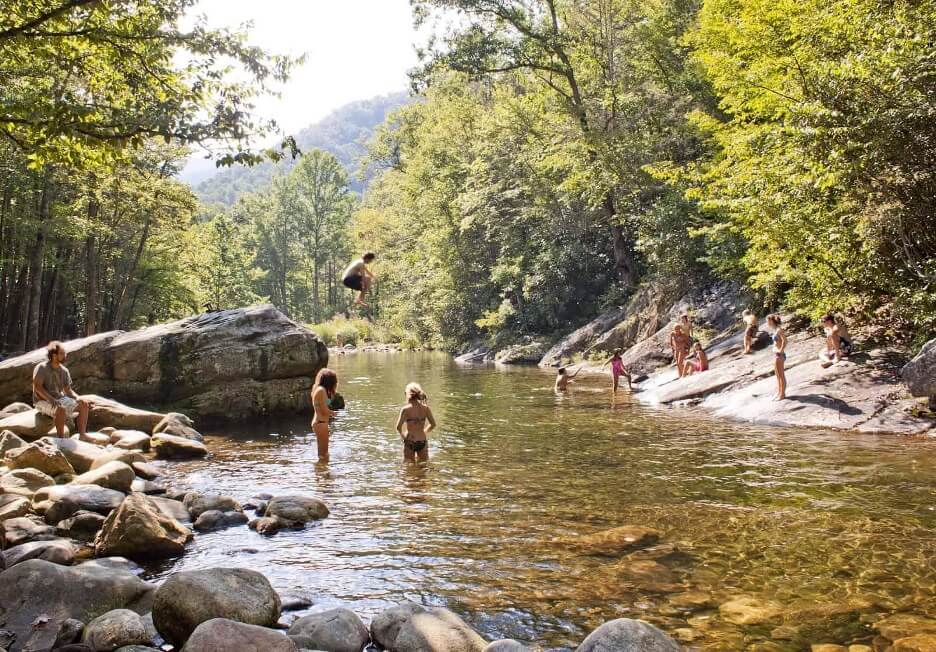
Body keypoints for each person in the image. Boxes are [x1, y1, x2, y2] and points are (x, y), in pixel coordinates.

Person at [33, 341, 90, 438]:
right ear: (54, 355)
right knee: (61, 409)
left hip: (59, 399)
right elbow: (37, 387)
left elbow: (68, 390)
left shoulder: (64, 370)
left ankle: (82, 435)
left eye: (64, 353)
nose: (65, 355)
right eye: (62, 353)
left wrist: (77, 398)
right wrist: (51, 399)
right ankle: (61, 439)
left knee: (84, 404)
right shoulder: (42, 367)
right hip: (41, 400)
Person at [395, 382, 436, 462]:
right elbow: (433, 424)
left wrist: (403, 437)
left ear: (407, 394)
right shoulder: (426, 408)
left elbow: (398, 427)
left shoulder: (405, 409)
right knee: (423, 466)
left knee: (409, 468)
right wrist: (424, 432)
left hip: (410, 441)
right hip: (422, 441)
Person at [310, 368, 338, 462]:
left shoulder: (318, 388)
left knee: (322, 453)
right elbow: (324, 410)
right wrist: (332, 413)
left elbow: (321, 406)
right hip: (321, 423)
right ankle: (323, 473)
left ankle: (320, 472)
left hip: (319, 423)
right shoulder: (322, 391)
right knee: (324, 454)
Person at [766, 314, 787, 400]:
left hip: (779, 355)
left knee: (781, 375)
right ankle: (779, 392)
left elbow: (785, 341)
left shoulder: (779, 330)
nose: (767, 323)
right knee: (777, 375)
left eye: (767, 321)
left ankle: (782, 394)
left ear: (771, 321)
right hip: (776, 354)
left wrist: (781, 350)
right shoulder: (775, 330)